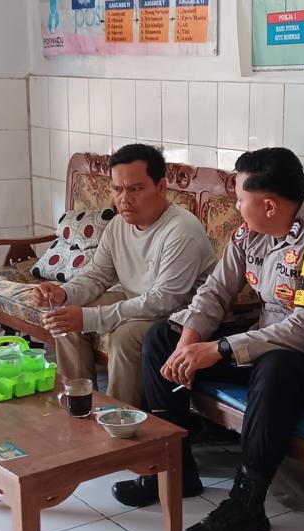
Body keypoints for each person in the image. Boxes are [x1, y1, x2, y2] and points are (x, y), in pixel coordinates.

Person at [111, 147, 304, 531]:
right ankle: (174, 470)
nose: (235, 207)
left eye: (239, 199)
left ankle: (247, 504)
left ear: (269, 205)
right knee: (162, 337)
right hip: (270, 346)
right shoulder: (251, 232)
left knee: (277, 367)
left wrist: (219, 349)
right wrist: (188, 342)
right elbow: (216, 291)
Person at [34, 144, 217, 407]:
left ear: (161, 187)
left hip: (178, 317)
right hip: (138, 300)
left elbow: (163, 301)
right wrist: (63, 293)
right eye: (117, 189)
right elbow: (97, 274)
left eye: (135, 189)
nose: (124, 199)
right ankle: (79, 403)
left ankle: (119, 415)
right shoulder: (118, 224)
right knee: (66, 319)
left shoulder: (181, 231)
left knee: (125, 336)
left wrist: (89, 317)